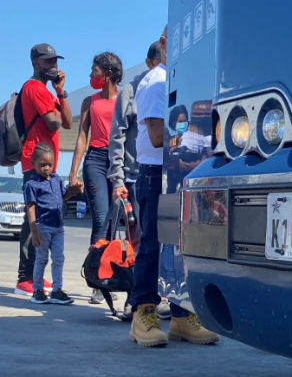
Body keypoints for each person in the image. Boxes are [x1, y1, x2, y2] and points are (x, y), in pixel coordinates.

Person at [128, 33, 219, 347]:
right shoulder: (157, 82)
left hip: (182, 173)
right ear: (164, 42)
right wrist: (196, 138)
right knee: (153, 245)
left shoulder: (187, 81)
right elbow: (157, 136)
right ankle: (143, 312)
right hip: (157, 173)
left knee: (184, 247)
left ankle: (182, 315)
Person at [14, 43, 73, 295]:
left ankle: (33, 275)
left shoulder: (48, 92)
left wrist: (61, 93)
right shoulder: (34, 87)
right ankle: (25, 278)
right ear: (35, 63)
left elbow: (67, 122)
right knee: (33, 220)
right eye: (48, 61)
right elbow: (53, 123)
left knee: (44, 218)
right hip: (33, 162)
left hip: (47, 164)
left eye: (55, 61)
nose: (53, 66)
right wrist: (55, 112)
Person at [108, 41, 160, 319]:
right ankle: (136, 301)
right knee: (140, 241)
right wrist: (118, 179)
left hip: (166, 174)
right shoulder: (132, 90)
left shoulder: (173, 82)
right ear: (149, 61)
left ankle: (159, 296)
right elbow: (116, 136)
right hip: (135, 175)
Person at [68, 52, 124, 304]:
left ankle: (111, 275)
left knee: (114, 222)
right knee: (101, 219)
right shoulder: (89, 101)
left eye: (95, 71)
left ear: (108, 74)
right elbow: (82, 137)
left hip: (119, 162)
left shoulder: (125, 99)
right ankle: (98, 282)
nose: (91, 75)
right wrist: (73, 171)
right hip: (95, 160)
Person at [26, 143, 80, 305]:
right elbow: (30, 208)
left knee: (58, 258)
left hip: (58, 227)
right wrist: (34, 231)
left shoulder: (56, 179)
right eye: (43, 165)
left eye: (50, 164)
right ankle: (37, 291)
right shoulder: (32, 184)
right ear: (33, 163)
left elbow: (62, 198)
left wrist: (72, 192)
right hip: (42, 227)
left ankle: (57, 291)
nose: (47, 168)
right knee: (41, 259)